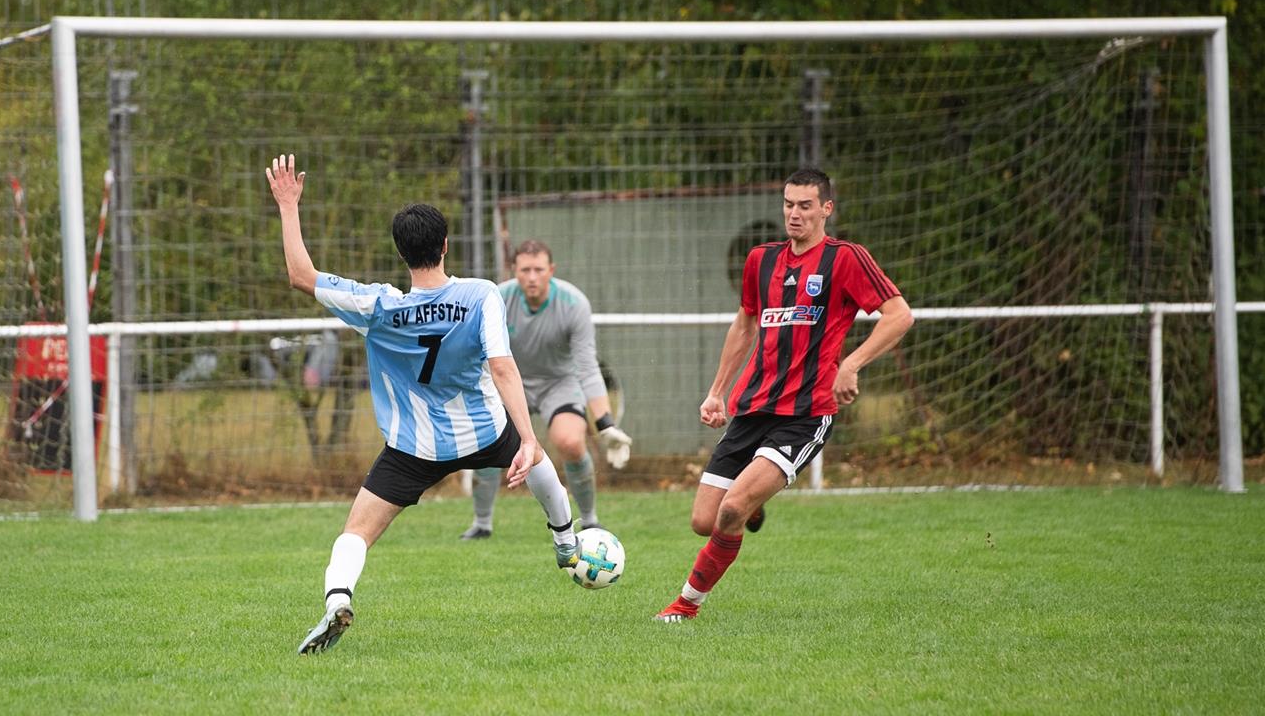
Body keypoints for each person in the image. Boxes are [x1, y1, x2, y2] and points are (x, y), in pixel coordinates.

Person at [264, 155, 580, 655]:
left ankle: (337, 598)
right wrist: (528, 438)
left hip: (414, 447)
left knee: (356, 533)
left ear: (402, 253)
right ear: (446, 245)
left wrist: (288, 205)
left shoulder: (379, 306)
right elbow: (502, 368)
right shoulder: (481, 295)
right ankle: (566, 541)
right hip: (484, 430)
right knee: (536, 460)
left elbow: (302, 275)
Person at [654, 167, 914, 623]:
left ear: (826, 208)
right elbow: (745, 325)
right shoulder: (761, 260)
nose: (795, 214)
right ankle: (753, 507)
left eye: (805, 205)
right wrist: (717, 392)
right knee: (703, 521)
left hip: (806, 414)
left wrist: (849, 365)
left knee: (731, 507)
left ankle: (685, 606)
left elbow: (899, 315)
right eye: (789, 204)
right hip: (753, 407)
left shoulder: (846, 258)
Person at [460, 239, 633, 540]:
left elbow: (587, 366)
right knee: (489, 447)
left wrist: (606, 424)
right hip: (512, 382)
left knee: (569, 442)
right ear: (514, 270)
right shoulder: (498, 299)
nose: (531, 277)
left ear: (551, 270)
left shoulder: (574, 303)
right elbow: (478, 353)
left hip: (559, 384)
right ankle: (481, 524)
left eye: (538, 269)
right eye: (524, 269)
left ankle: (590, 520)